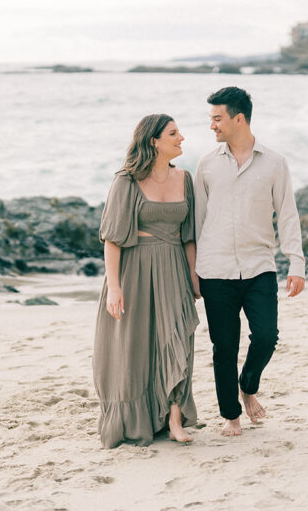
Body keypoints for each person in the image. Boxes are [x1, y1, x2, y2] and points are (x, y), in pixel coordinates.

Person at [193, 86, 305, 437]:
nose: (211, 125)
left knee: (267, 337)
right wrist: (192, 271)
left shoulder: (274, 163)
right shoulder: (207, 164)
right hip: (215, 269)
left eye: (217, 118)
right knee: (223, 346)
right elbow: (196, 220)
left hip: (259, 266)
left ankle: (248, 385)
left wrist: (296, 263)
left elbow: (287, 214)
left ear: (238, 118)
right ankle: (231, 415)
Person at [92, 114, 200, 448]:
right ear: (153, 140)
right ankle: (137, 417)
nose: (181, 137)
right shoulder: (126, 181)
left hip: (174, 268)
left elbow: (188, 236)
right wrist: (114, 286)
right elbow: (112, 238)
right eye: (173, 133)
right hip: (134, 269)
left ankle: (175, 418)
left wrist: (195, 280)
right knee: (135, 345)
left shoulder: (185, 178)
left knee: (177, 338)